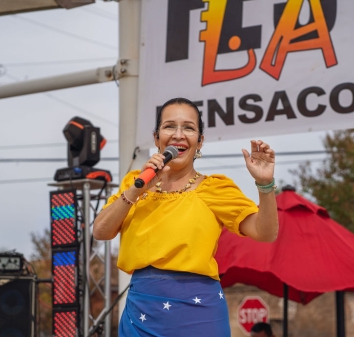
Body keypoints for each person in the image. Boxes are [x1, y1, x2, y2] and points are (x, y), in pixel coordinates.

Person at [93, 97, 279, 337]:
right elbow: (100, 231)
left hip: (197, 311)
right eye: (169, 126)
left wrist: (265, 185)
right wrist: (137, 190)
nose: (178, 135)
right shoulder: (135, 183)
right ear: (156, 137)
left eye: (189, 128)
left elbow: (266, 233)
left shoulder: (214, 188)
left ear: (199, 141)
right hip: (142, 312)